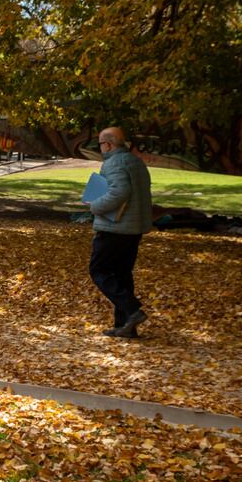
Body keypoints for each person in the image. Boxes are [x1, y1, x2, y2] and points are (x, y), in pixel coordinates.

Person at [87, 127, 153, 338]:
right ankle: (125, 325)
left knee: (99, 271)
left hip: (115, 228)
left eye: (100, 144)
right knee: (122, 275)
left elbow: (119, 192)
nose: (101, 149)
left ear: (108, 144)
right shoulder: (136, 161)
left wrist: (94, 205)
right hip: (134, 228)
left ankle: (133, 310)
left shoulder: (114, 162)